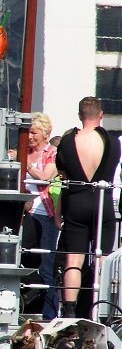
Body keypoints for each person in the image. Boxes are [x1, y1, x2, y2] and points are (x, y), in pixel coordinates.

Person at [55, 97, 121, 317]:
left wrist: (58, 212)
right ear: (100, 115)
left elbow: (63, 180)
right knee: (102, 258)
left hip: (76, 202)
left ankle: (70, 311)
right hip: (104, 202)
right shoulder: (113, 142)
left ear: (80, 116)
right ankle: (99, 309)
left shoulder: (67, 141)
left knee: (74, 260)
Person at [23, 113, 59, 320]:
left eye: (34, 132)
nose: (29, 136)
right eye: (28, 132)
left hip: (44, 213)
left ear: (45, 134)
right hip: (24, 214)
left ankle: (49, 314)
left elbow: (46, 177)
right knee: (25, 261)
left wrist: (25, 164)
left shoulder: (52, 153)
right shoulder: (24, 151)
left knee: (47, 264)